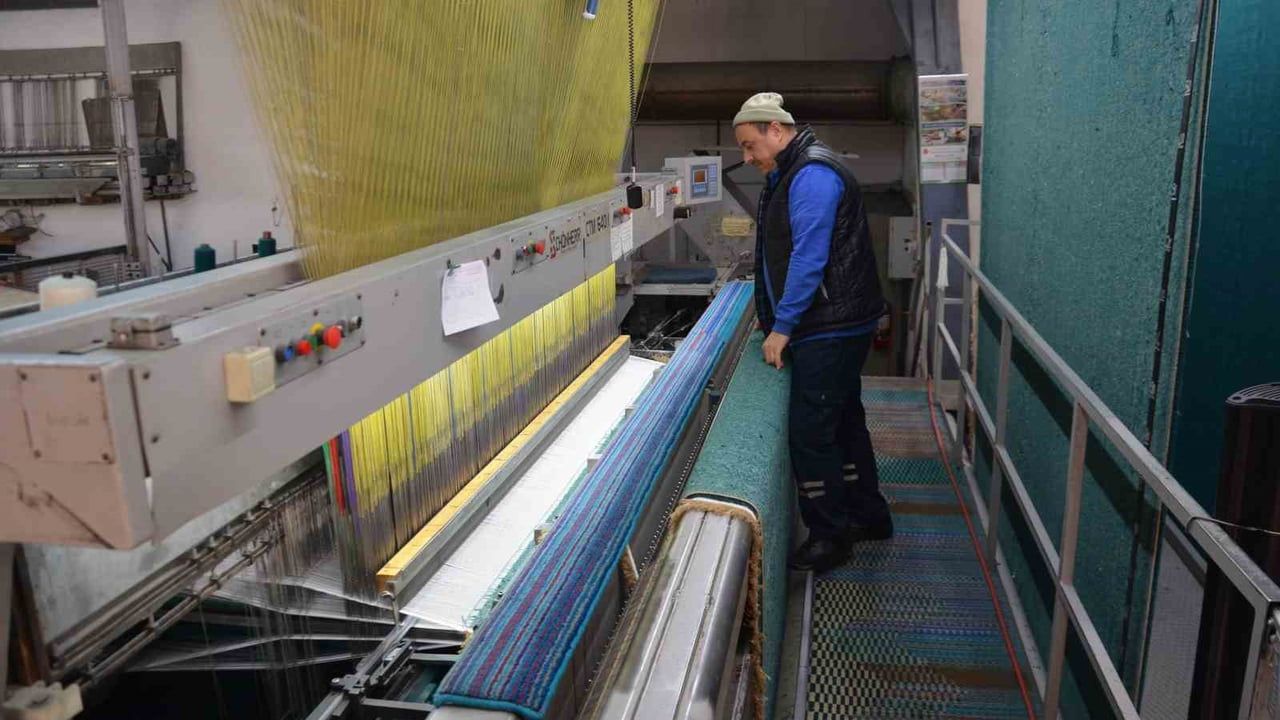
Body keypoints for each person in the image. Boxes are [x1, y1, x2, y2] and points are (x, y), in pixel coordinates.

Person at [733, 92, 893, 573]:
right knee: (844, 420)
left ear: (775, 131)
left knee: (811, 433)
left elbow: (808, 258)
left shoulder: (811, 176)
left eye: (748, 145)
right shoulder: (793, 171)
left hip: (830, 326)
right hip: (839, 320)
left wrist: (782, 328)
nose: (746, 157)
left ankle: (829, 536)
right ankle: (868, 515)